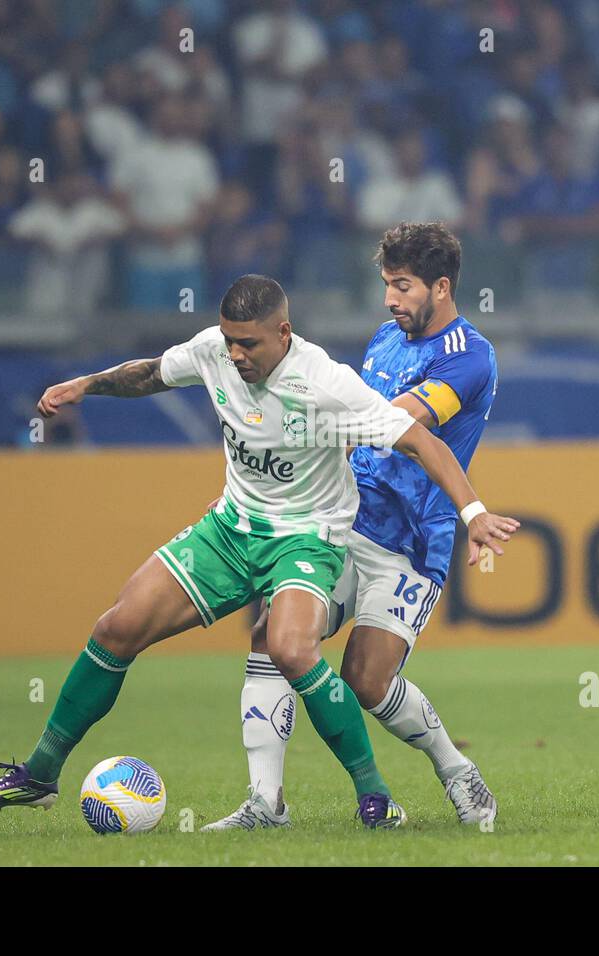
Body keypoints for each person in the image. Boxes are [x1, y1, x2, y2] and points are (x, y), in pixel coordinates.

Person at [0, 274, 520, 829]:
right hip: (231, 527)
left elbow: (422, 440)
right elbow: (151, 374)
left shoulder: (326, 383)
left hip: (308, 535)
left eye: (248, 343)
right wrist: (88, 383)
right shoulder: (214, 352)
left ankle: (376, 795)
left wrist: (473, 514)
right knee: (117, 627)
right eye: (230, 340)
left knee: (292, 648)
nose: (236, 353)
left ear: (284, 332)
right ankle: (42, 774)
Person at [205, 222, 500, 830]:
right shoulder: (385, 340)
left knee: (367, 680)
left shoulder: (471, 358)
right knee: (274, 641)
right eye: (386, 284)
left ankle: (455, 768)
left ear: (441, 287)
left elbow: (400, 422)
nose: (390, 299)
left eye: (403, 286)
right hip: (347, 524)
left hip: (412, 541)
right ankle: (266, 803)